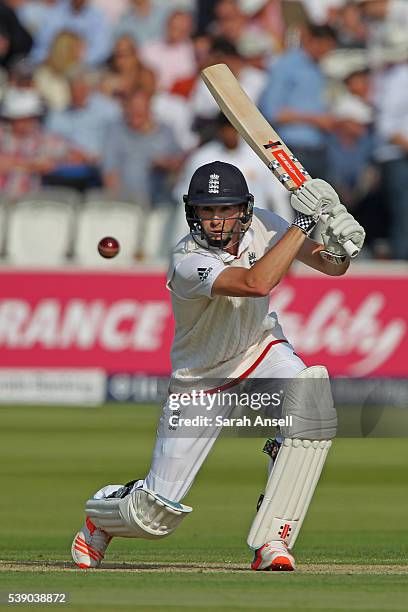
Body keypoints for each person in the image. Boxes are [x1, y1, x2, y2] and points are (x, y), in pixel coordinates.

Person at [71, 160, 365, 571]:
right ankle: (103, 513)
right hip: (202, 378)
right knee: (154, 516)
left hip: (260, 349)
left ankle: (272, 540)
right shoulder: (186, 261)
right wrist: (305, 221)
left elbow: (331, 267)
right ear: (193, 212)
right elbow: (254, 284)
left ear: (243, 209)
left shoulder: (266, 224)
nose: (216, 220)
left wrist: (340, 242)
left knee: (309, 402)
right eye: (207, 211)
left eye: (225, 209)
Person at [259, 22, 338, 180]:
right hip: (291, 149)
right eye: (324, 46)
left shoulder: (322, 69)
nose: (326, 52)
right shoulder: (286, 65)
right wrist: (315, 119)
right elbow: (272, 111)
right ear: (311, 40)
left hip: (321, 149)